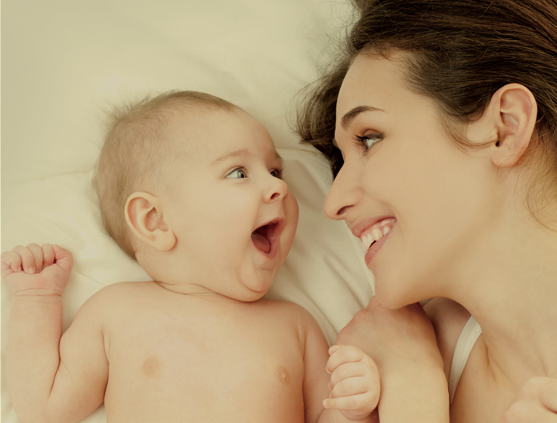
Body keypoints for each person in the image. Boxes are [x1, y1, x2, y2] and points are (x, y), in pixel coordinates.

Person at [295, 0, 557, 421]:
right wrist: (411, 389)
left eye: (369, 139)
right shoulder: (379, 367)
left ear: (505, 127)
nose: (333, 202)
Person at [2, 91, 380, 423]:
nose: (279, 185)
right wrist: (35, 299)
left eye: (275, 170)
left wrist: (352, 406)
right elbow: (44, 407)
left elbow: (323, 416)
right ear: (154, 221)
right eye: (238, 172)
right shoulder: (117, 312)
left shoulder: (296, 327)